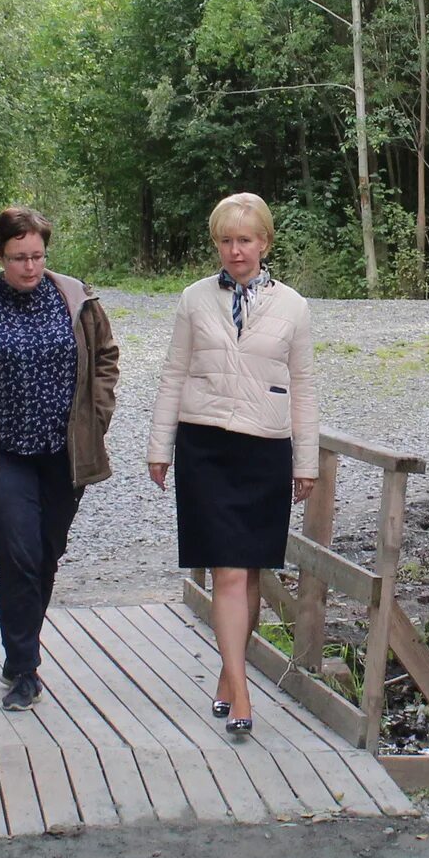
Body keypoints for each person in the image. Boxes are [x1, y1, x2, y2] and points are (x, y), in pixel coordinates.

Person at [0, 207, 121, 711]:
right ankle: (24, 667)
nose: (30, 267)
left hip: (64, 451)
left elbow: (106, 356)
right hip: (1, 452)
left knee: (45, 554)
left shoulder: (74, 298)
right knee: (17, 554)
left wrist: (97, 415)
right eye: (18, 258)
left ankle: (21, 654)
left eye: (37, 255)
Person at [148, 192, 316, 740]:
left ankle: (228, 673)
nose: (235, 250)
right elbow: (174, 373)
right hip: (206, 446)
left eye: (245, 240)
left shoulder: (292, 305)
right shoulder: (194, 299)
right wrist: (159, 447)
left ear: (264, 242)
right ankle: (243, 692)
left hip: (265, 448)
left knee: (250, 573)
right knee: (226, 570)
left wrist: (306, 461)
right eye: (226, 240)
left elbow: (305, 387)